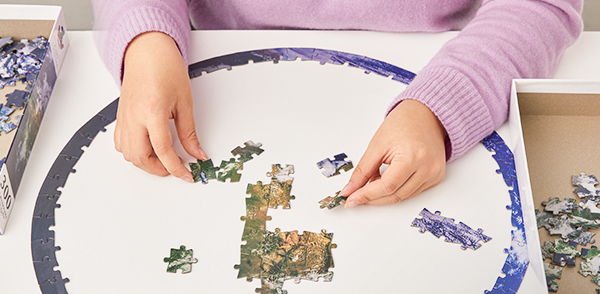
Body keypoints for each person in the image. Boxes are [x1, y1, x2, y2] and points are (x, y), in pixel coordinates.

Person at [92, 0, 583, 207]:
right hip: (217, 68)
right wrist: (145, 39)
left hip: (444, 63)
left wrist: (441, 106)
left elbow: (540, 6)